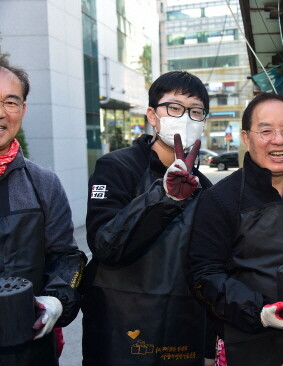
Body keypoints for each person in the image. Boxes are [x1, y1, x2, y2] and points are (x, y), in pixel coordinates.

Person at [82, 71, 214, 365]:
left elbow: (211, 269)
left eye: (195, 111)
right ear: (153, 115)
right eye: (175, 108)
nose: (185, 118)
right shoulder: (116, 167)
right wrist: (163, 197)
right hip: (119, 331)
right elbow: (105, 244)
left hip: (183, 331)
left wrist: (210, 344)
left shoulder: (205, 187)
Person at [187, 92, 283, 366]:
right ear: (245, 138)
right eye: (266, 131)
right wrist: (258, 310)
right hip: (247, 341)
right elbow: (204, 274)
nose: (279, 140)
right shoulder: (221, 199)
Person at [0, 58, 87, 365]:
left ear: (22, 110)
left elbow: (67, 257)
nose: (1, 112)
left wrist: (56, 300)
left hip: (30, 345)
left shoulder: (43, 184)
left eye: (11, 102)